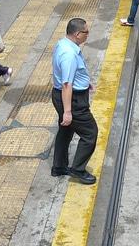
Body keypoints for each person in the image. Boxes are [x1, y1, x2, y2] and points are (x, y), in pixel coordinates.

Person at [51, 17, 98, 185]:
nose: (88, 35)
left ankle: (59, 166)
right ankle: (78, 169)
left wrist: (85, 82)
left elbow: (72, 75)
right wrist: (68, 111)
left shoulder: (63, 44)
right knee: (90, 133)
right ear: (78, 34)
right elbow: (66, 84)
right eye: (86, 32)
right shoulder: (69, 54)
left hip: (66, 95)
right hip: (73, 100)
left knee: (66, 131)